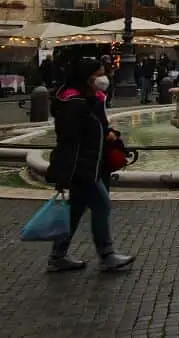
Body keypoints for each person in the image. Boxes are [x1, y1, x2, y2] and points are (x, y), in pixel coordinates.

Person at [45, 57, 135, 273]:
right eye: (99, 74)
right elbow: (73, 138)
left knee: (76, 210)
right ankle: (107, 254)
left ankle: (58, 255)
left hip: (89, 164)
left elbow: (94, 130)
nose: (104, 78)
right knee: (102, 206)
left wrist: (109, 133)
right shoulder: (74, 104)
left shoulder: (84, 100)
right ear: (87, 78)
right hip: (82, 167)